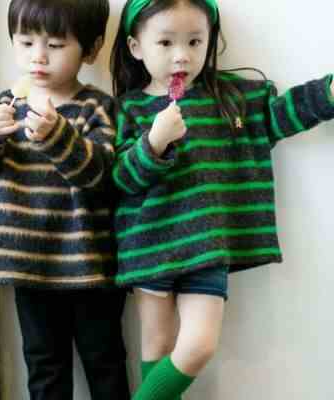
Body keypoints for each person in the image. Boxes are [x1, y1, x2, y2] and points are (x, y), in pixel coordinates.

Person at [109, 0, 334, 398]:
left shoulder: (231, 98)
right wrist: (155, 141)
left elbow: (277, 117)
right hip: (149, 247)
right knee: (156, 347)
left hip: (209, 246)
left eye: (195, 41)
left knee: (198, 347)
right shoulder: (127, 108)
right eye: (166, 42)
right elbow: (121, 178)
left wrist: (327, 93)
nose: (182, 55)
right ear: (135, 46)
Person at [0, 0, 130, 399]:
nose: (38, 56)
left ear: (90, 49)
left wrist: (58, 136)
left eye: (55, 45)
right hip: (28, 263)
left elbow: (101, 175)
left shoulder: (96, 106)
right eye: (25, 43)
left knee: (105, 360)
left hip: (90, 263)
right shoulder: (7, 106)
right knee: (43, 365)